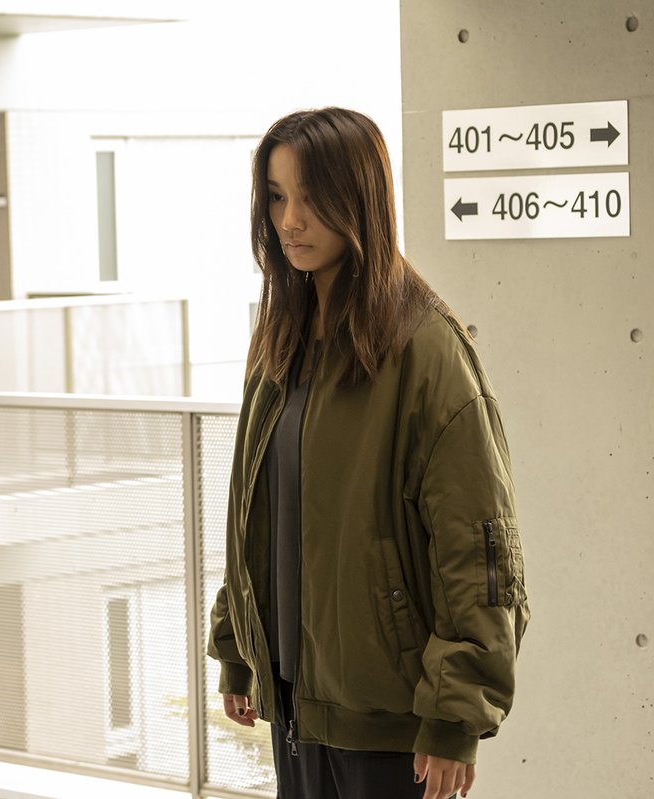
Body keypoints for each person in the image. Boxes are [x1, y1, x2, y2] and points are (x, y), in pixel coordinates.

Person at [207, 107, 528, 799]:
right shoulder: (280, 340)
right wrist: (238, 648)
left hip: (391, 724)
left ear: (359, 198)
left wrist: (455, 714)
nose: (290, 220)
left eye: (310, 197)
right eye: (276, 197)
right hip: (296, 701)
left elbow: (477, 545)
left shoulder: (425, 350)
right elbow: (253, 509)